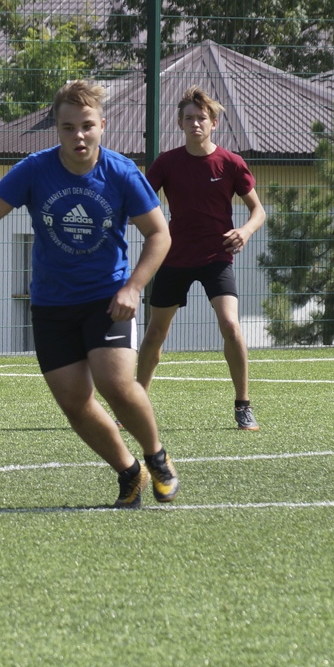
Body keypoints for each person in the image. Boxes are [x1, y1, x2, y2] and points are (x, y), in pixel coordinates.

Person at [0, 80, 178, 508]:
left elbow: (160, 235)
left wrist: (134, 287)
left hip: (107, 300)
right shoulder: (34, 169)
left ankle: (156, 456)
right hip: (50, 304)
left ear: (103, 124)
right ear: (56, 130)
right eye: (68, 128)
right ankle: (129, 473)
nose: (78, 136)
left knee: (115, 384)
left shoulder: (120, 172)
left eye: (86, 126)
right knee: (75, 403)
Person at [137, 86, 266, 431]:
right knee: (154, 335)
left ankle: (243, 405)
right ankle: (133, 405)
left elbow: (258, 210)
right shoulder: (167, 162)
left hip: (216, 257)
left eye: (202, 118)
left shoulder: (230, 163)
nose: (196, 123)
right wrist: (153, 231)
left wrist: (246, 231)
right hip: (174, 257)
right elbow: (142, 203)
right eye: (189, 118)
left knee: (231, 326)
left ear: (214, 122)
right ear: (179, 123)